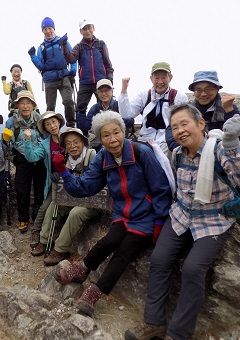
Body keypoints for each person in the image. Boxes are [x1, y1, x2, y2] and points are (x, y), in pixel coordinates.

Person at [124, 103, 239, 340]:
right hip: (181, 216)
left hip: (213, 220)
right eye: (174, 127)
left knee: (193, 268)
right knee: (159, 259)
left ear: (201, 124)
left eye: (184, 124)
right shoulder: (177, 154)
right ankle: (154, 323)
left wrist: (232, 146)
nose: (180, 131)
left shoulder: (218, 150)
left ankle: (178, 334)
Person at [51, 110, 172, 317]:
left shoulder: (141, 153)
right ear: (100, 139)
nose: (112, 139)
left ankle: (94, 293)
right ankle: (81, 270)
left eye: (116, 133)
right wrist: (64, 172)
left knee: (124, 251)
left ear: (123, 132)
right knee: (109, 241)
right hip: (123, 213)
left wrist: (159, 222)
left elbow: (161, 188)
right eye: (106, 135)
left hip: (145, 216)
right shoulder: (103, 158)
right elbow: (85, 187)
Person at [30, 127, 99, 266]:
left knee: (75, 213)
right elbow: (65, 182)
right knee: (54, 205)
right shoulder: (66, 159)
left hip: (92, 202)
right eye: (68, 143)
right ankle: (44, 241)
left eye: (76, 142)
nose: (72, 146)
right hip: (73, 198)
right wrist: (58, 175)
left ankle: (61, 249)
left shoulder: (92, 156)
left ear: (83, 142)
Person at [118, 62, 188, 155]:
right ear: (151, 79)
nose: (160, 82)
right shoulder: (144, 96)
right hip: (145, 140)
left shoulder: (178, 97)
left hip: (168, 142)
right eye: (156, 78)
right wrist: (124, 90)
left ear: (170, 78)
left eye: (164, 77)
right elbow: (126, 115)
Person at [166, 70, 239, 151]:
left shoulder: (228, 106)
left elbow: (236, 134)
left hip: (222, 151)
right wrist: (184, 147)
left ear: (217, 89)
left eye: (208, 89)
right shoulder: (187, 110)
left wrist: (230, 111)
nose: (203, 94)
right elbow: (171, 131)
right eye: (198, 90)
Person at [5, 91, 46, 233]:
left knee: (40, 188)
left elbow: (45, 137)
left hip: (39, 157)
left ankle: (37, 216)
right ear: (17, 105)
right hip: (22, 158)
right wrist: (5, 141)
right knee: (22, 189)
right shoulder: (11, 121)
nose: (25, 106)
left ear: (33, 105)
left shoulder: (39, 119)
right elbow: (8, 144)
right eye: (21, 103)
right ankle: (23, 218)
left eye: (28, 102)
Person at [60, 19, 114, 127]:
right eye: (84, 29)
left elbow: (108, 64)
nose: (87, 31)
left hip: (101, 82)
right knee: (80, 107)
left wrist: (109, 80)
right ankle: (82, 134)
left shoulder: (101, 44)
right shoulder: (79, 46)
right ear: (81, 31)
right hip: (85, 83)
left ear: (93, 28)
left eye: (89, 28)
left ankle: (106, 130)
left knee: (105, 106)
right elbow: (71, 59)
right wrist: (64, 45)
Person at [23, 111, 65, 248]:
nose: (52, 126)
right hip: (54, 182)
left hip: (71, 178)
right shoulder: (45, 144)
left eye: (53, 122)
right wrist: (27, 141)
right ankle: (36, 230)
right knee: (44, 208)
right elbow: (32, 157)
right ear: (45, 129)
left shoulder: (69, 136)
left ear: (59, 122)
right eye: (48, 124)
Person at [28, 17, 77, 127]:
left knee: (68, 102)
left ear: (53, 28)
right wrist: (33, 56)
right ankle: (50, 129)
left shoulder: (62, 42)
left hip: (64, 76)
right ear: (42, 31)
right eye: (45, 29)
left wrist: (73, 70)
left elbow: (72, 57)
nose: (48, 31)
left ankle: (71, 126)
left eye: (50, 28)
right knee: (50, 106)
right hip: (49, 79)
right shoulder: (41, 47)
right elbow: (41, 66)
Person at [77, 78, 135, 149]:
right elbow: (85, 127)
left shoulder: (120, 105)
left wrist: (119, 119)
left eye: (106, 90)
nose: (104, 94)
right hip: (103, 143)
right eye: (101, 91)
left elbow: (130, 122)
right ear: (97, 93)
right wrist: (81, 113)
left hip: (120, 141)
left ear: (112, 91)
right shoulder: (95, 108)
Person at [0, 128, 13, 231]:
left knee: (1, 195)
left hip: (1, 172)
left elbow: (7, 157)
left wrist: (7, 173)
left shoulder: (4, 143)